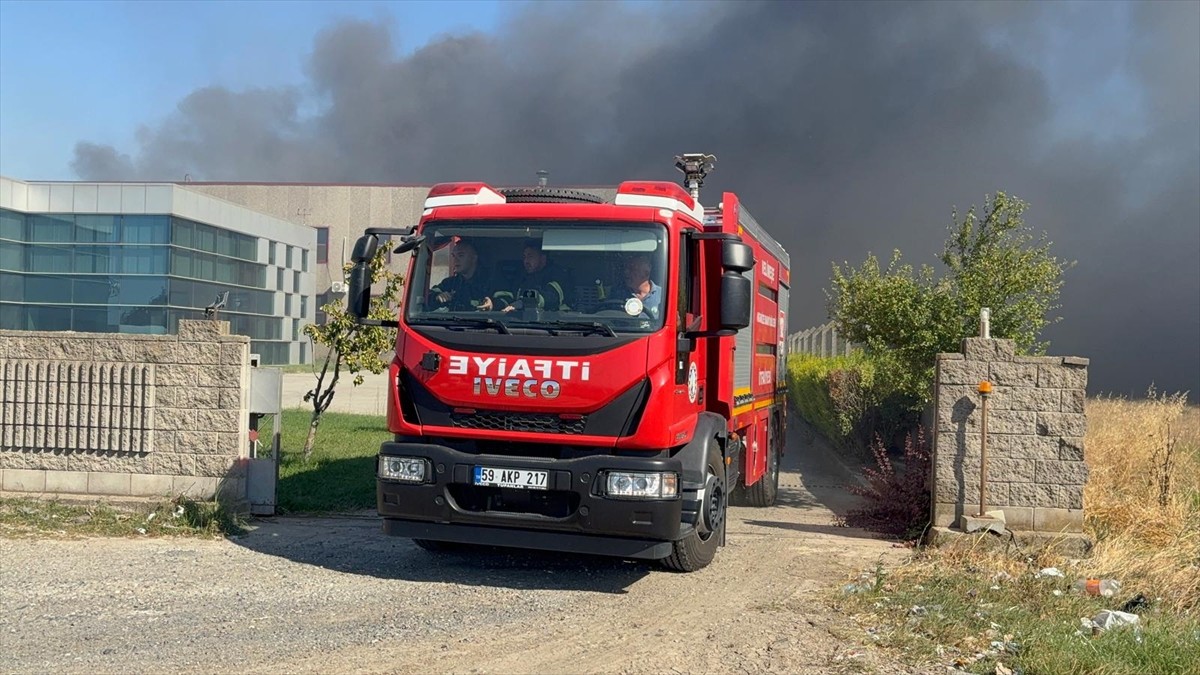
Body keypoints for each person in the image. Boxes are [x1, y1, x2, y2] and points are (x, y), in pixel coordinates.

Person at [496, 239, 573, 313]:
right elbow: (510, 295)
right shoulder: (522, 275)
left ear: (543, 258)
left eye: (530, 256)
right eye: (524, 257)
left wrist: (522, 303)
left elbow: (551, 297)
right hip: (520, 323)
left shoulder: (558, 275)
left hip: (553, 323)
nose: (526, 261)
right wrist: (495, 303)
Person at [428, 238, 494, 311]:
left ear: (474, 258)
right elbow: (428, 295)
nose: (455, 260)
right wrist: (437, 297)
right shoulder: (450, 283)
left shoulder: (492, 281)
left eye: (461, 255)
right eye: (453, 256)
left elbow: (505, 297)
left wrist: (493, 303)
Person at [620, 253, 661, 318]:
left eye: (632, 269)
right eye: (626, 268)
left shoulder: (662, 296)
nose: (626, 272)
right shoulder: (618, 295)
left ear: (646, 272)